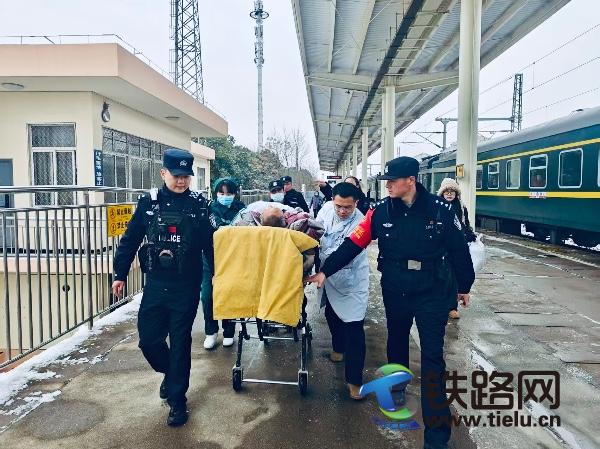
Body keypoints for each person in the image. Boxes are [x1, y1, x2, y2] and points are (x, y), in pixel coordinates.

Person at [307, 156, 475, 449]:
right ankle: (397, 384)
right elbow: (353, 243)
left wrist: (464, 286)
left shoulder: (441, 210)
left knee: (433, 359)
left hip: (432, 289)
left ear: (411, 180)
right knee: (396, 338)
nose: (387, 186)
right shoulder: (380, 211)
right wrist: (325, 271)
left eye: (392, 181)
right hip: (396, 288)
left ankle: (437, 438)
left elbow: (459, 249)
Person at [111, 148, 214, 427]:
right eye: (176, 176)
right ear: (163, 173)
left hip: (186, 285)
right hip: (156, 283)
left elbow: (210, 244)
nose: (181, 181)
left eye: (186, 176)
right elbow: (130, 239)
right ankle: (170, 373)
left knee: (180, 342)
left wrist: (218, 275)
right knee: (149, 340)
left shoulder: (199, 205)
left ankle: (178, 401)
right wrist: (120, 274)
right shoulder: (149, 203)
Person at [315, 182, 368, 400]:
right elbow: (316, 231)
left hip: (351, 279)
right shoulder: (327, 210)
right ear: (332, 201)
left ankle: (355, 382)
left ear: (356, 203)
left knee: (354, 327)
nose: (342, 211)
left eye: (347, 207)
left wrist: (325, 271)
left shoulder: (362, 222)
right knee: (331, 313)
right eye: (338, 206)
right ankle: (338, 347)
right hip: (327, 275)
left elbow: (346, 253)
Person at [202, 178, 245, 349]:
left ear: (235, 194)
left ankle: (229, 331)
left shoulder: (241, 209)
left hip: (232, 259)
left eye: (229, 193)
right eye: (221, 193)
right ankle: (211, 332)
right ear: (216, 193)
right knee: (207, 296)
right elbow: (213, 231)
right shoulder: (209, 208)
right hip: (210, 257)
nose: (225, 196)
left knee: (229, 293)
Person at [437, 178, 477, 320]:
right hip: (441, 247)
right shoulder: (436, 206)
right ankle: (440, 304)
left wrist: (469, 234)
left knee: (453, 278)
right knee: (442, 277)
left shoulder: (461, 207)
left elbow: (465, 223)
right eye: (447, 191)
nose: (449, 194)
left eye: (452, 191)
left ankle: (452, 307)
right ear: (442, 193)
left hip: (456, 247)